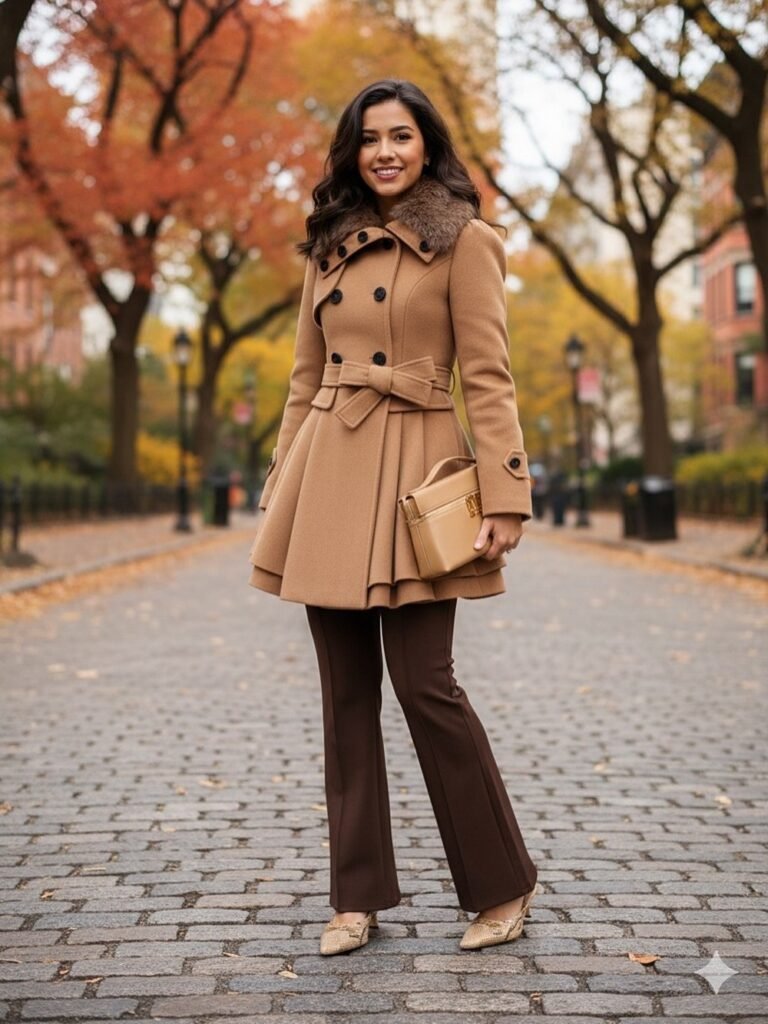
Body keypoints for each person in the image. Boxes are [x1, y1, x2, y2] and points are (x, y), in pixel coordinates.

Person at [248, 79, 539, 955]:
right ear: (351, 151)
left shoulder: (466, 241)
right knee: (344, 696)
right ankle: (356, 898)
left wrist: (506, 492)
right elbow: (304, 377)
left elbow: (487, 375)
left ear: (427, 146)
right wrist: (281, 479)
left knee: (425, 685)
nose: (385, 151)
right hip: (329, 470)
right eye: (370, 138)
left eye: (401, 136)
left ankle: (502, 883)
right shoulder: (326, 247)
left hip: (420, 471)